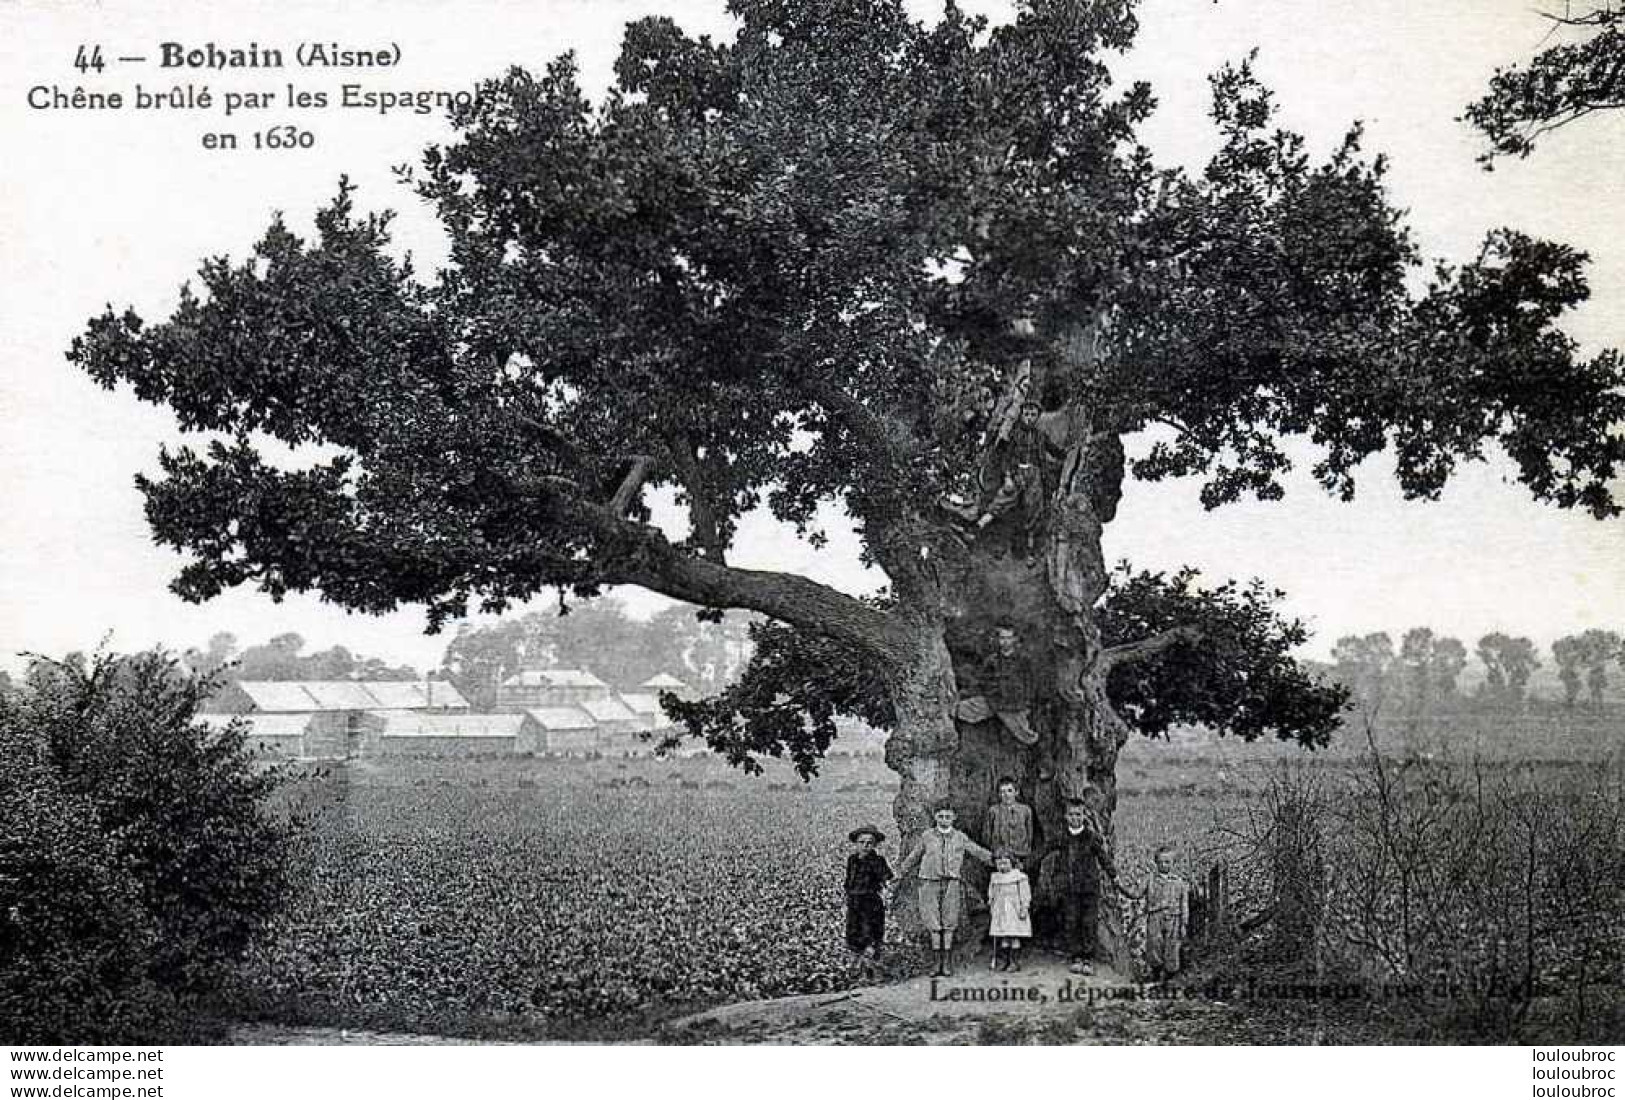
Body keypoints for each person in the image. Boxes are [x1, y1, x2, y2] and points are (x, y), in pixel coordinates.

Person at [894, 804, 994, 977]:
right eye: (940, 816)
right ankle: (936, 962)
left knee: (949, 922)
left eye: (948, 816)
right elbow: (914, 856)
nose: (944, 820)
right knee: (933, 922)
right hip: (929, 882)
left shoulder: (960, 837)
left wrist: (999, 860)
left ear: (953, 817)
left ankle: (946, 962)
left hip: (951, 883)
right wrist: (900, 871)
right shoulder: (927, 836)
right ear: (935, 817)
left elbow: (978, 852)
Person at [1035, 796, 1107, 975]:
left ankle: (1088, 958)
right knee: (1072, 921)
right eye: (1071, 815)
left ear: (1084, 816)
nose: (1075, 818)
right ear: (1066, 816)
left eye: (1078, 814)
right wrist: (1023, 864)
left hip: (1089, 887)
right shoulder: (1061, 837)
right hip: (1069, 887)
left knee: (1089, 922)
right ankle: (1075, 956)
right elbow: (1044, 851)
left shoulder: (1091, 837)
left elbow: (1104, 858)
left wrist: (1115, 876)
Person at [953, 626, 1038, 746]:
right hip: (992, 701)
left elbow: (1031, 682)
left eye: (1009, 638)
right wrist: (965, 693)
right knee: (959, 709)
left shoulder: (1024, 660)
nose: (1005, 642)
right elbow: (981, 681)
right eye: (1002, 638)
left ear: (1014, 640)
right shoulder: (992, 660)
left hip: (1014, 705)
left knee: (1027, 736)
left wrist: (1027, 702)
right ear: (998, 640)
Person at [844, 825, 893, 970]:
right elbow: (849, 880)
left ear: (875, 845)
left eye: (869, 843)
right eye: (862, 842)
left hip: (870, 903)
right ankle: (855, 968)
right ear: (856, 843)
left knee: (870, 933)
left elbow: (887, 877)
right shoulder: (852, 860)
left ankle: (871, 969)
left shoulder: (878, 861)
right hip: (854, 902)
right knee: (854, 933)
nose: (865, 846)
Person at [1142, 844, 1189, 982]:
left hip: (1174, 918)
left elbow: (1184, 903)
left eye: (1167, 862)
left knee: (1172, 946)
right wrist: (1118, 884)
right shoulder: (1149, 879)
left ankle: (1170, 976)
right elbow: (1136, 893)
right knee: (1154, 944)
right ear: (1156, 863)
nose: (1164, 865)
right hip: (1155, 916)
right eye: (1160, 862)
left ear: (1173, 863)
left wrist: (1184, 924)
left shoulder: (1179, 882)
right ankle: (1155, 973)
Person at [986, 849, 1032, 972]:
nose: (1002, 866)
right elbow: (992, 892)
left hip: (1014, 910)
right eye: (999, 863)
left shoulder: (1019, 877)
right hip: (1000, 910)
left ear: (1012, 862)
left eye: (1005, 863)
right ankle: (1004, 961)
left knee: (1014, 936)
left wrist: (1024, 907)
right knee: (1004, 936)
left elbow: (1025, 894)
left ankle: (1014, 961)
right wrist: (991, 901)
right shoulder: (995, 877)